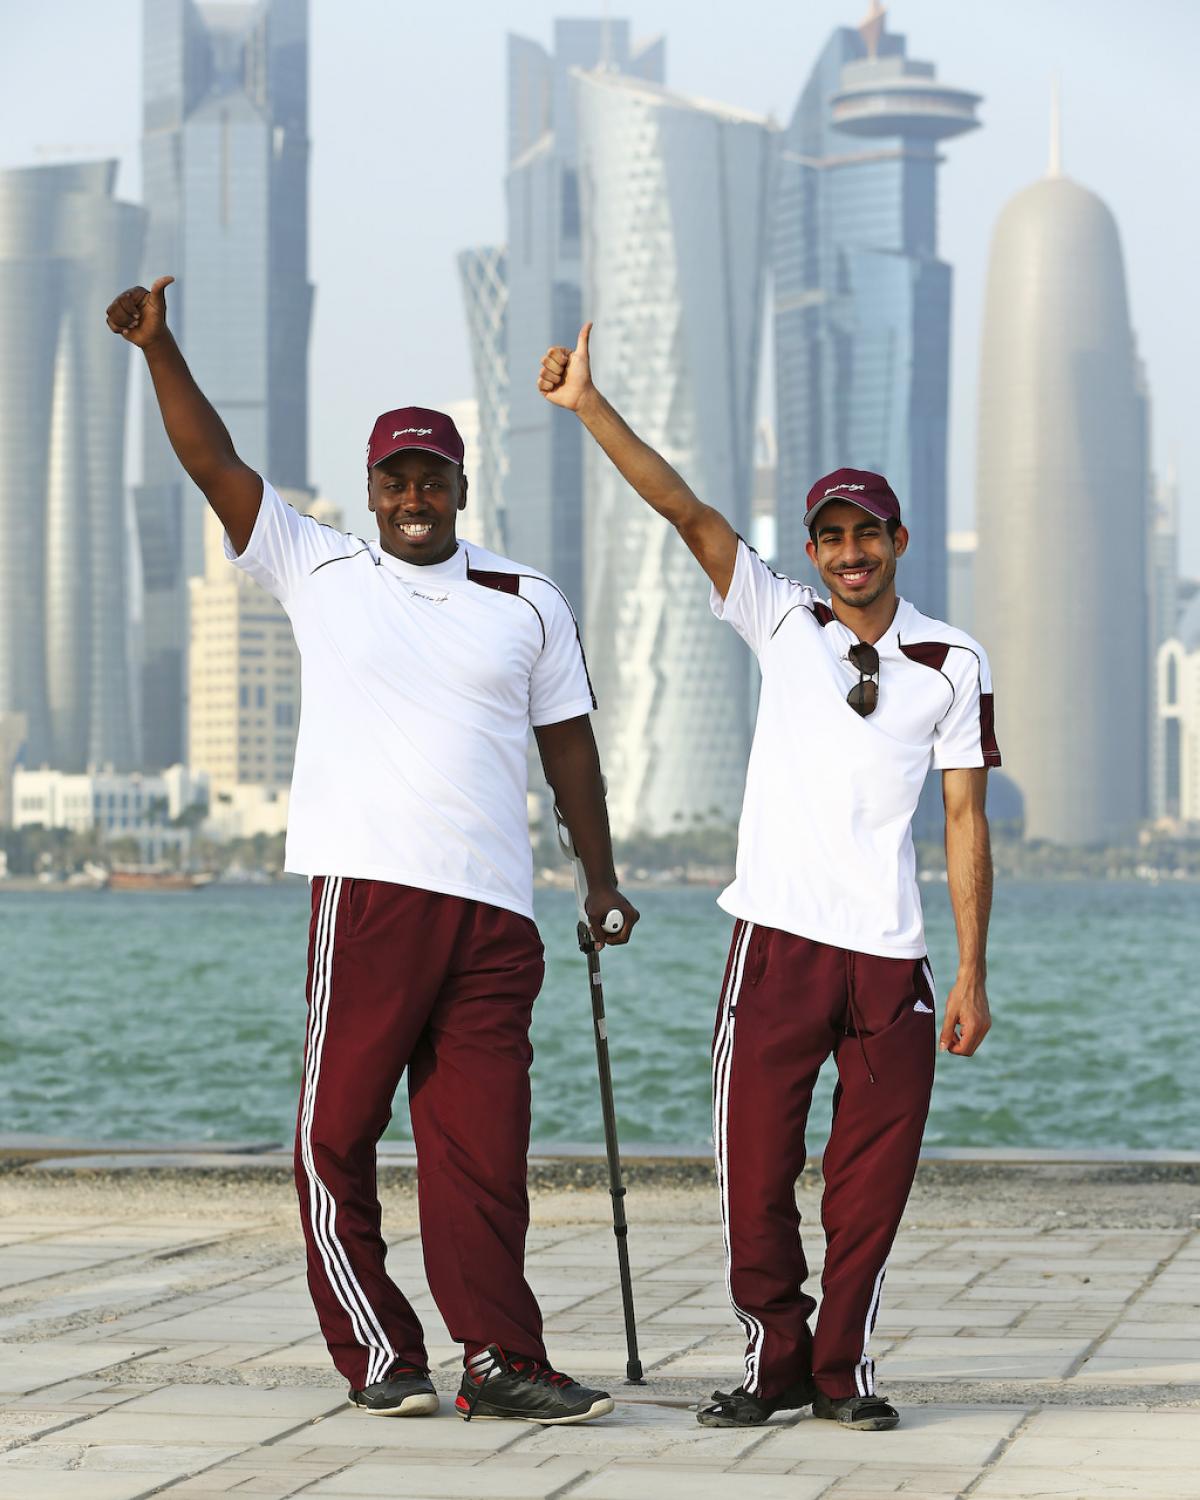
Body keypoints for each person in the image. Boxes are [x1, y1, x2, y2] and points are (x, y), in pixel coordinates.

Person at [107, 277, 639, 1426]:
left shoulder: (527, 598)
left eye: (431, 478)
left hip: (497, 915)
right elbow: (215, 465)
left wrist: (599, 879)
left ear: (461, 486)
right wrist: (162, 352)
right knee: (335, 1133)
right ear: (370, 490)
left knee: (482, 1157)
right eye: (394, 478)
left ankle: (500, 1357)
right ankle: (379, 1349)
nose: (413, 496)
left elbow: (573, 753)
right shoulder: (318, 565)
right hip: (374, 896)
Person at [539, 324, 999, 1433]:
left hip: (890, 956)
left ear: (899, 539)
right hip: (776, 943)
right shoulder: (778, 614)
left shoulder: (953, 662)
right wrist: (590, 407)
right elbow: (685, 509)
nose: (849, 553)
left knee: (869, 1188)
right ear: (815, 545)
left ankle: (842, 1372)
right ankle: (773, 1359)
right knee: (754, 1172)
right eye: (831, 535)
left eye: (867, 534)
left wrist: (972, 975)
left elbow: (966, 822)